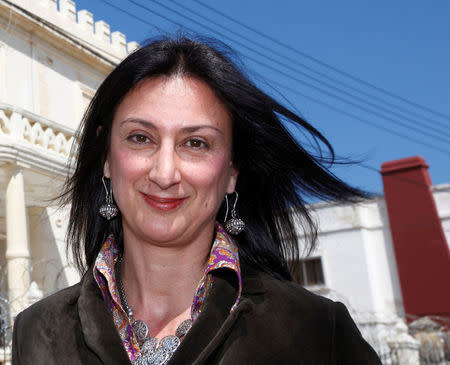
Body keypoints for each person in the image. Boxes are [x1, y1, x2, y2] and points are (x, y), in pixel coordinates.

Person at [12, 36, 381, 364]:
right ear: (107, 156)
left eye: (196, 143)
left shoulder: (319, 334)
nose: (165, 172)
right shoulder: (37, 331)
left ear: (232, 171)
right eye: (140, 138)